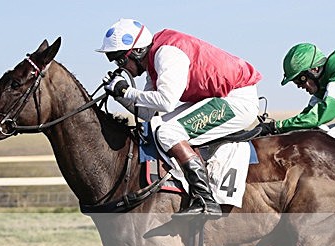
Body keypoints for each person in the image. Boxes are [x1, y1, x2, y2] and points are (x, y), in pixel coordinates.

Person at [96, 19, 262, 217]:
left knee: (168, 132)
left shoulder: (167, 54)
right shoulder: (154, 62)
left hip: (237, 99)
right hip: (220, 97)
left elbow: (166, 102)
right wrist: (121, 96)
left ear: (137, 52)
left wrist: (129, 92)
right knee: (159, 125)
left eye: (121, 60)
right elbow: (150, 114)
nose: (121, 67)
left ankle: (206, 199)